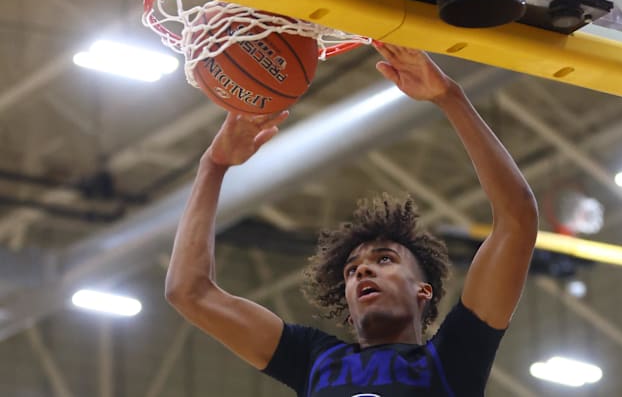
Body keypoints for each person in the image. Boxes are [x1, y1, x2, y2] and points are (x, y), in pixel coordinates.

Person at [165, 42, 538, 397]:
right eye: (351, 270)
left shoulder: (453, 356)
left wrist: (449, 97)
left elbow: (517, 221)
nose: (361, 272)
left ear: (423, 291)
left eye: (384, 259)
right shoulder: (313, 359)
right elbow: (189, 292)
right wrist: (212, 167)